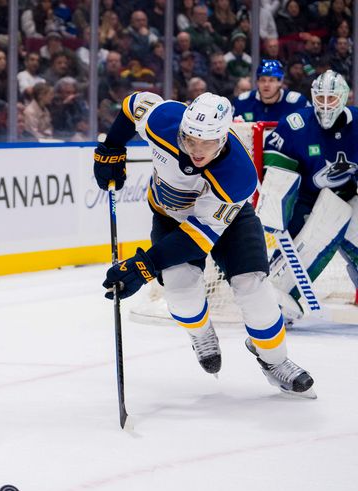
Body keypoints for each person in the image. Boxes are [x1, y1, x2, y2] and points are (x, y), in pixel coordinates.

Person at [93, 90, 315, 398]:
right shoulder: (163, 120)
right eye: (191, 140)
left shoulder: (237, 176)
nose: (197, 150)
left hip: (231, 219)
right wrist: (112, 146)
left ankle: (274, 361)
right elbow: (132, 105)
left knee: (254, 291)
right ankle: (201, 334)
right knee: (181, 295)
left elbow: (198, 237)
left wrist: (145, 265)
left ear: (223, 138)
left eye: (207, 143)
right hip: (170, 216)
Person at [257, 70, 358, 320]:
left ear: (344, 98)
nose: (324, 106)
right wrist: (274, 203)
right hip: (305, 201)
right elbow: (276, 170)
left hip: (346, 197)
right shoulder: (295, 124)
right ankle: (274, 300)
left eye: (330, 100)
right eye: (320, 99)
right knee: (303, 247)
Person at [234, 60, 309, 122]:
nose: (266, 84)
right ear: (257, 82)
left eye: (271, 80)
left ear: (280, 82)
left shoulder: (297, 103)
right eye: (263, 80)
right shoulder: (242, 102)